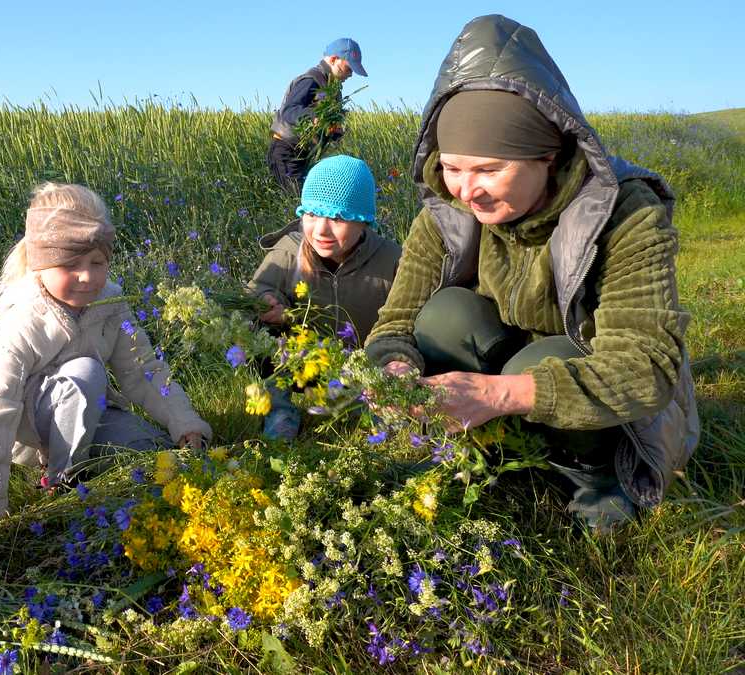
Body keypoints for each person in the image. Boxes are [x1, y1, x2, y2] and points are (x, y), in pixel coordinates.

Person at [364, 15, 699, 532]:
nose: (465, 190)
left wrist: (496, 395)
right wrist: (397, 373)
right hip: (510, 368)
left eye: (489, 169)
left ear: (548, 155)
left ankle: (595, 474)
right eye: (453, 167)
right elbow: (396, 322)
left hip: (597, 392)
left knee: (545, 357)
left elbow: (645, 368)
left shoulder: (624, 211)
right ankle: (496, 447)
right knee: (445, 316)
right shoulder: (446, 215)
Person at [0, 183, 213, 522]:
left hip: (87, 411)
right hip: (28, 427)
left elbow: (144, 371)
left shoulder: (111, 304)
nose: (87, 277)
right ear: (40, 264)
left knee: (151, 451)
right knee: (87, 373)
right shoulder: (23, 320)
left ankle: (82, 461)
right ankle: (61, 483)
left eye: (97, 261)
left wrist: (186, 424)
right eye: (70, 264)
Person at [248, 154, 400, 439]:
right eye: (313, 214)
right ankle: (279, 410)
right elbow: (257, 289)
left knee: (368, 413)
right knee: (254, 331)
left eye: (338, 218)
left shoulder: (390, 260)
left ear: (364, 221)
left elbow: (406, 320)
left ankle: (374, 408)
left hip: (360, 368)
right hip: (302, 361)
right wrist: (267, 301)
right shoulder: (289, 250)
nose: (321, 230)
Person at [267, 37, 368, 193]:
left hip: (305, 154)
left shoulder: (332, 87)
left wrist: (333, 131)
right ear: (334, 59)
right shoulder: (311, 80)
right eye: (349, 68)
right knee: (298, 203)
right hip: (287, 152)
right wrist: (314, 116)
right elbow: (289, 110)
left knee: (305, 202)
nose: (351, 75)